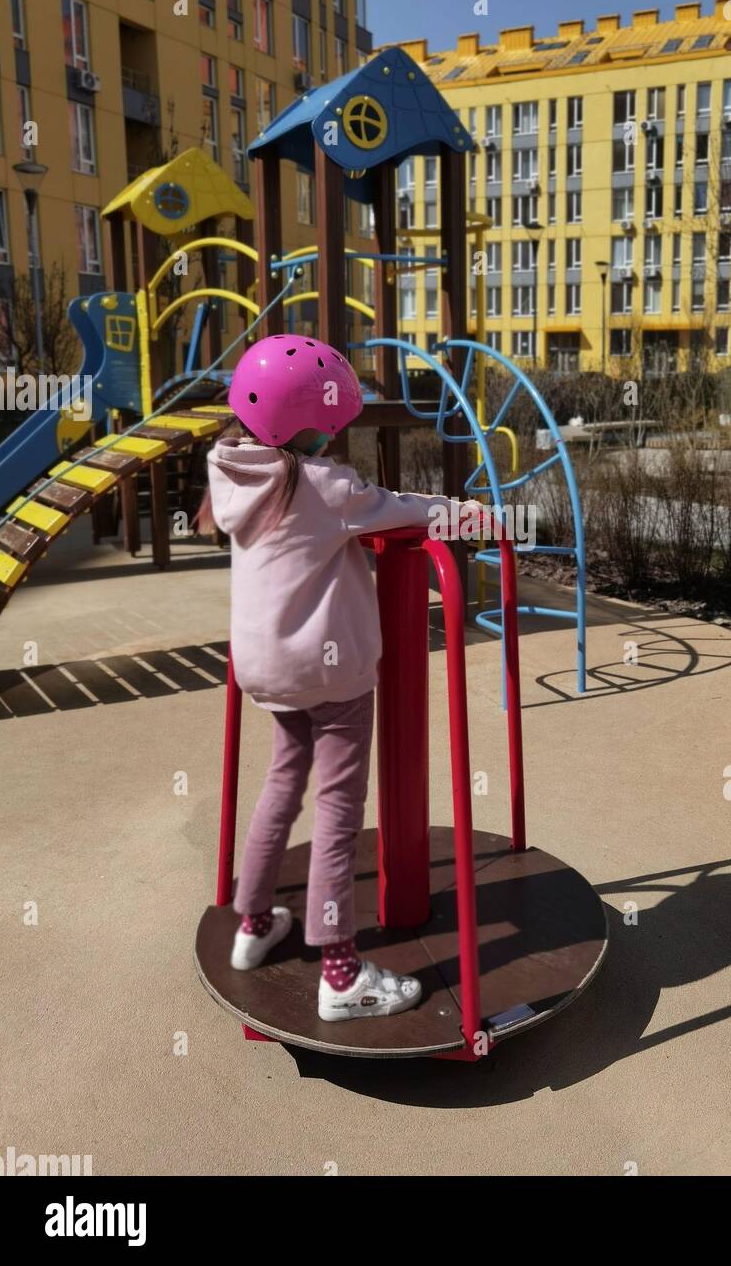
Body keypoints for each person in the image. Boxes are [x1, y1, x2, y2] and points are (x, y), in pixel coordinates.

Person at [197, 334, 482, 1021]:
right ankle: (340, 973)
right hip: (332, 673)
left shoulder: (232, 470)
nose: (336, 436)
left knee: (281, 786)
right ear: (310, 427)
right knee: (336, 813)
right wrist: (467, 513)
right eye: (331, 425)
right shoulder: (325, 486)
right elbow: (403, 508)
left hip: (263, 670)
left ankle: (253, 924)